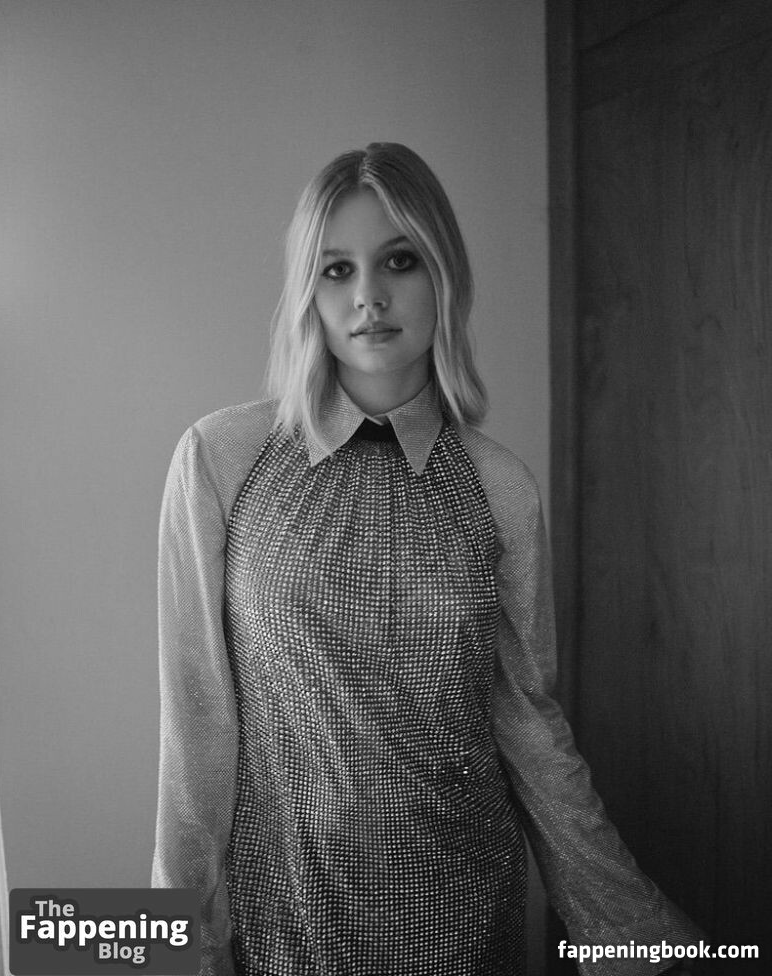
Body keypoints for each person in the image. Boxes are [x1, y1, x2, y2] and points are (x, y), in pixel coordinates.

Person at [152, 143, 703, 976]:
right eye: (337, 269)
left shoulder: (498, 485)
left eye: (399, 260)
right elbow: (195, 724)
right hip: (286, 915)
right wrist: (179, 945)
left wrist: (635, 936)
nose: (368, 296)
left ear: (443, 273)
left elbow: (526, 723)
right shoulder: (223, 458)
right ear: (307, 291)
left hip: (463, 914)